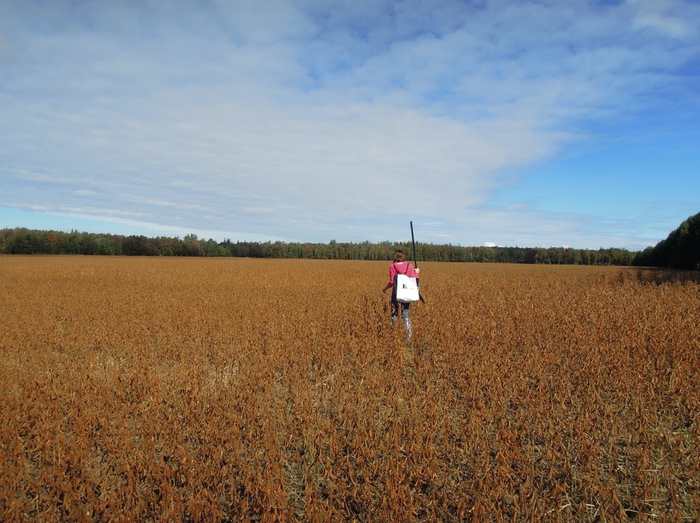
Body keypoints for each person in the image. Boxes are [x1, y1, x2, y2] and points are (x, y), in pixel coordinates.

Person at [382, 249, 420, 339]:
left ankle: (393, 334)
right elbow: (414, 279)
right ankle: (408, 335)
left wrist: (385, 289)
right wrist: (417, 273)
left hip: (396, 293)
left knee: (394, 313)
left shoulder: (392, 267)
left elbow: (391, 282)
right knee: (405, 313)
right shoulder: (409, 266)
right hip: (406, 293)